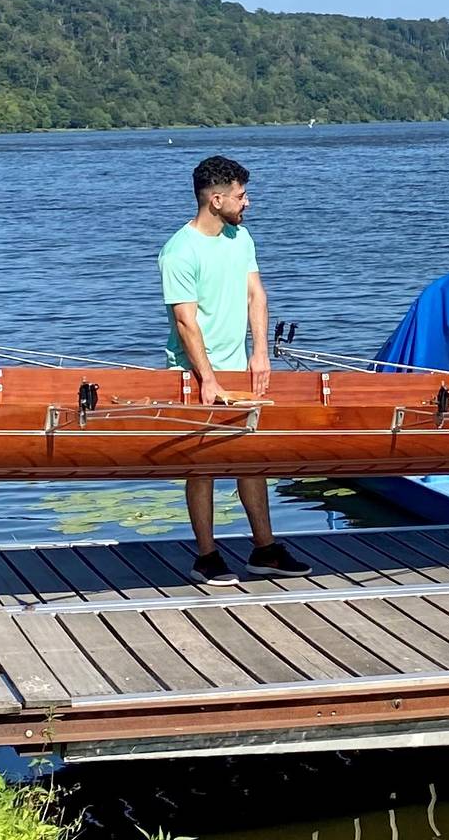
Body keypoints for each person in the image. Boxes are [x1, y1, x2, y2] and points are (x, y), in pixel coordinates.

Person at [162, 155, 307, 584]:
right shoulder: (178, 251)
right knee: (202, 464)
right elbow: (186, 322)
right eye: (241, 195)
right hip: (192, 372)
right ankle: (206, 555)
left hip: (239, 368)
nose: (248, 202)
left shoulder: (240, 237)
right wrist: (207, 378)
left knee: (252, 459)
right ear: (216, 198)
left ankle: (265, 549)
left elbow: (255, 296)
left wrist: (260, 352)